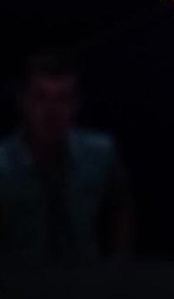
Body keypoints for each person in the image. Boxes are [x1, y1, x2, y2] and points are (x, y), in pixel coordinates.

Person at [0, 49, 134, 264]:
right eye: (40, 97)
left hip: (87, 283)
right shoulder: (2, 164)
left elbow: (120, 207)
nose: (51, 111)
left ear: (76, 103)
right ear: (22, 101)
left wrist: (117, 268)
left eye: (63, 98)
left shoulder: (100, 153)